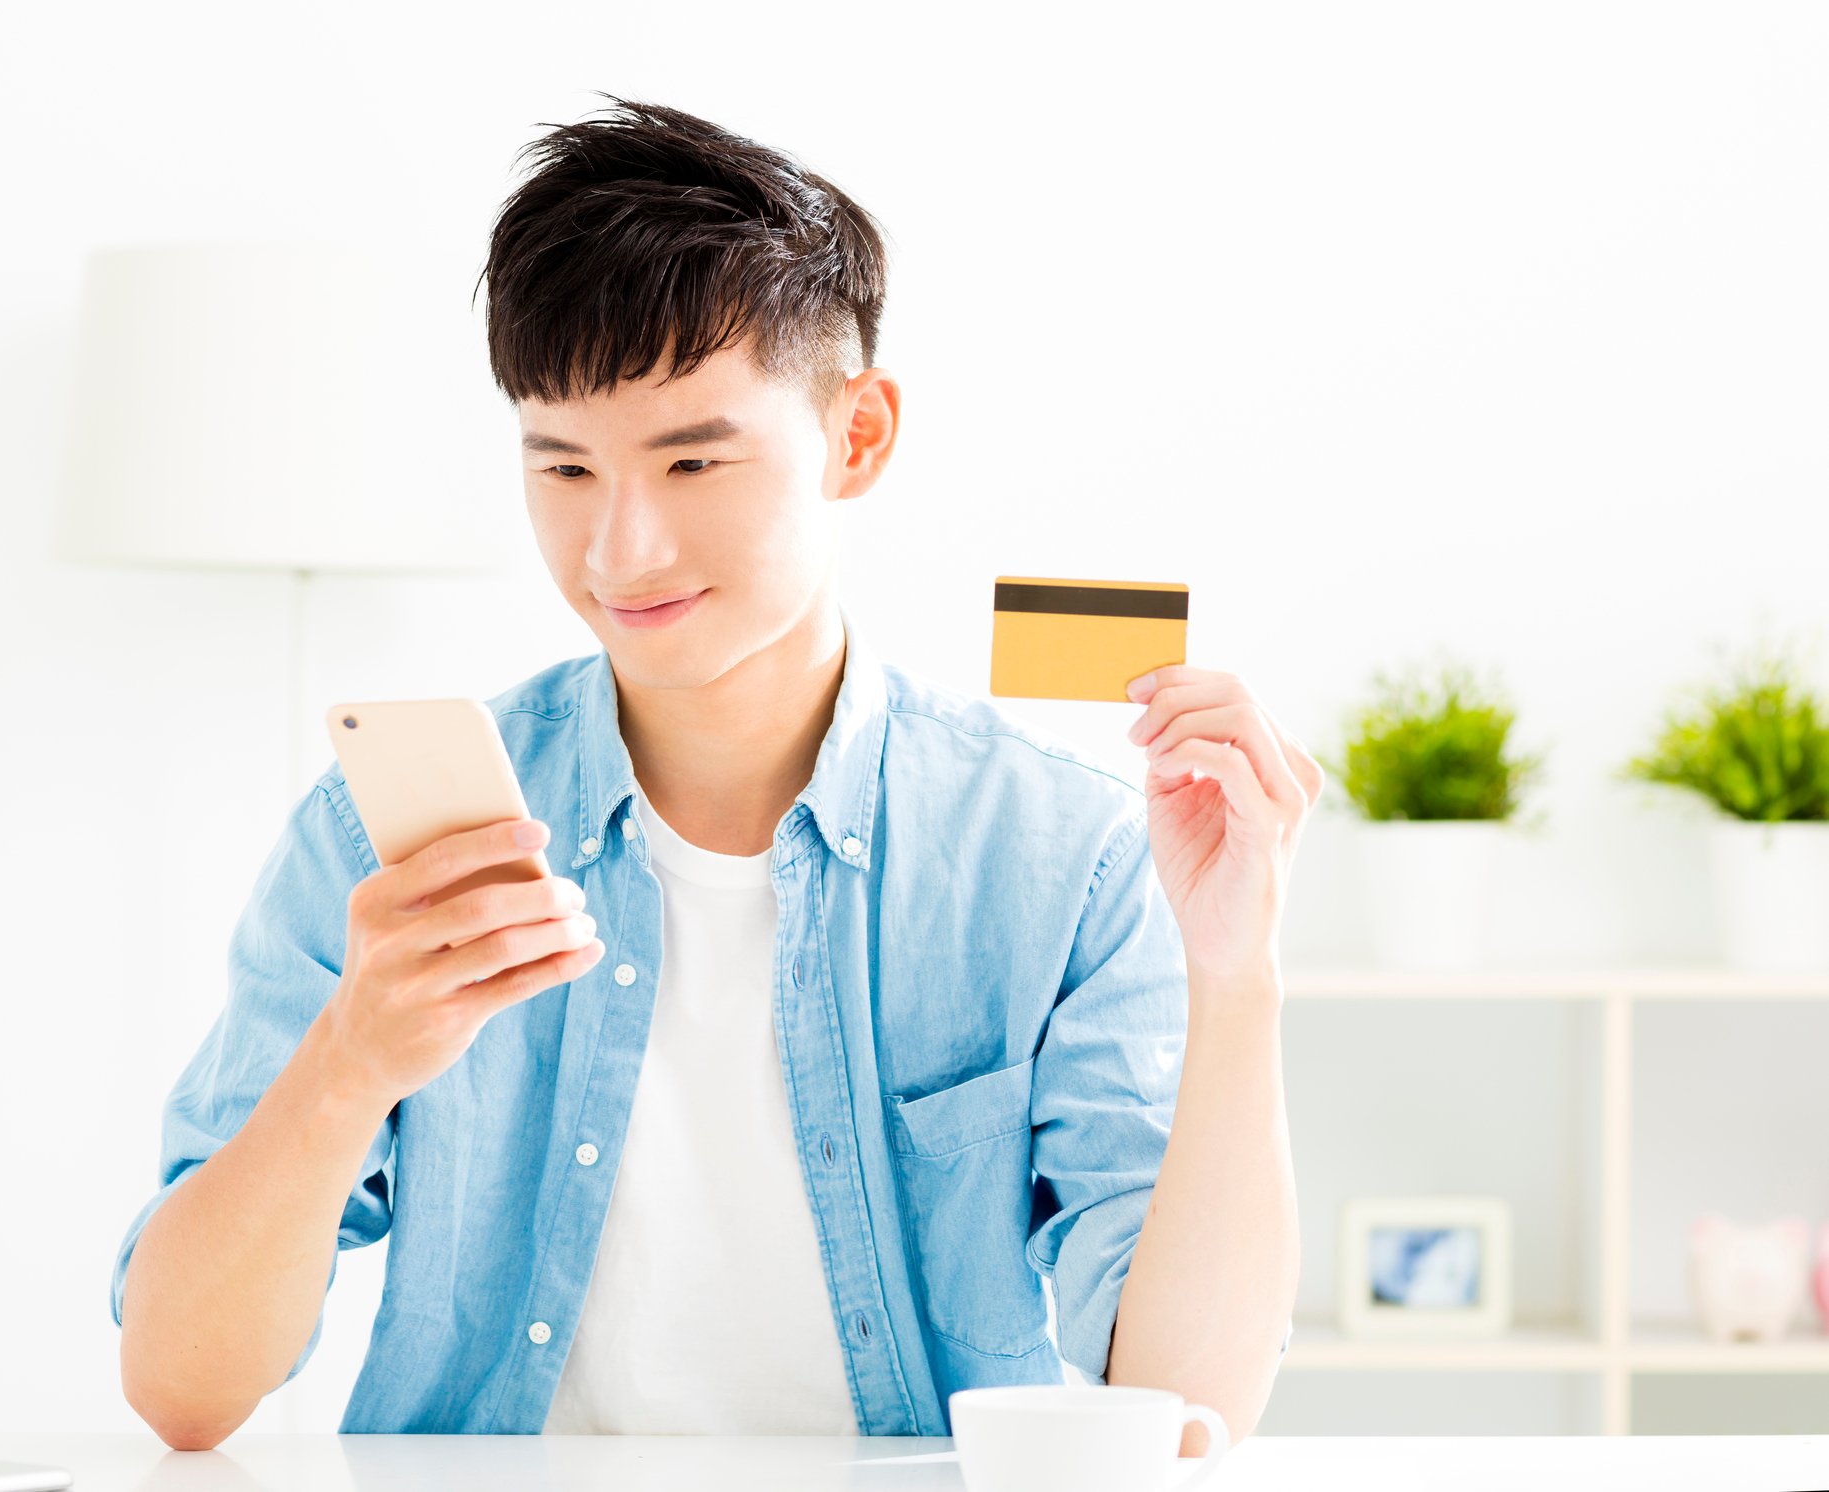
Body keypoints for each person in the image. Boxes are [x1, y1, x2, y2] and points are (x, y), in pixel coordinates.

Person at [111, 92, 1312, 1452]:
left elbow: (1190, 1409)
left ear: (854, 437)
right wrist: (350, 1066)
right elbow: (180, 1389)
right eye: (561, 465)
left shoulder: (1052, 849)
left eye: (691, 459)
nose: (619, 552)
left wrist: (1236, 975)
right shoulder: (381, 841)